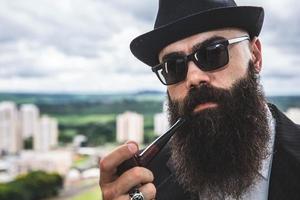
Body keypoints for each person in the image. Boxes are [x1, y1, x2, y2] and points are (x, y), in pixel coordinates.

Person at [99, 0, 300, 199]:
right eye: (173, 66)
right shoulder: (145, 179)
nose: (193, 78)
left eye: (213, 52)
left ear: (255, 56)